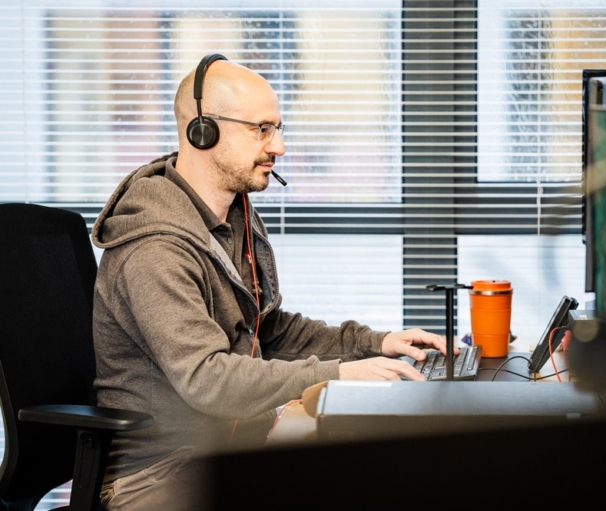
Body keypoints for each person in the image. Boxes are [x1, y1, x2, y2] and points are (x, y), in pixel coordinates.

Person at [91, 54, 453, 510]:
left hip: (234, 446)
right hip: (164, 472)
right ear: (204, 131)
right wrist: (339, 374)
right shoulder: (154, 250)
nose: (278, 146)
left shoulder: (232, 219)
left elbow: (270, 330)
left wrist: (376, 344)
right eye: (261, 129)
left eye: (278, 129)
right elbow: (209, 379)